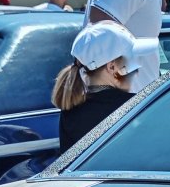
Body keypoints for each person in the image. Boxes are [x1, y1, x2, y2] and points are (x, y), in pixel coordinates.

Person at [53, 21, 156, 153]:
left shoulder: (70, 110)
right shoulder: (136, 107)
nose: (137, 71)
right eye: (133, 62)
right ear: (112, 67)